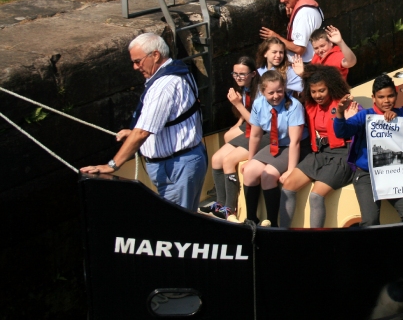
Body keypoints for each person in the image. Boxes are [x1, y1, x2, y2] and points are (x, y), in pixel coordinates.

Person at [80, 33, 207, 210]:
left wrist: (112, 166)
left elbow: (142, 133)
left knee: (175, 227)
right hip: (181, 163)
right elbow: (172, 117)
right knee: (182, 222)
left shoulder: (164, 86)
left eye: (138, 61)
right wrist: (133, 133)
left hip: (176, 167)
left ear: (155, 55)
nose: (134, 67)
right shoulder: (179, 69)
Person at [279, 65, 358, 228]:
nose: (317, 95)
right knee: (288, 185)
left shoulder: (344, 104)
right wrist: (302, 74)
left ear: (330, 87)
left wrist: (350, 119)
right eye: (314, 92)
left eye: (322, 91)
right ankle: (282, 232)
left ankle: (315, 241)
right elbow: (303, 85)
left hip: (342, 155)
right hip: (320, 153)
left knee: (316, 195)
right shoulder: (310, 104)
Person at [333, 74, 403, 227]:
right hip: (366, 174)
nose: (386, 101)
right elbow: (342, 132)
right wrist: (339, 113)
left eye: (390, 96)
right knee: (370, 221)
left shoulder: (402, 114)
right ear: (373, 98)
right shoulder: (364, 116)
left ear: (396, 95)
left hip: (394, 173)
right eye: (381, 97)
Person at [241, 70, 311, 227]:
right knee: (250, 171)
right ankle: (251, 219)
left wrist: (290, 171)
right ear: (262, 91)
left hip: (294, 146)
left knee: (268, 175)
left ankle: (272, 223)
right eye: (271, 92)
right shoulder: (259, 104)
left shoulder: (294, 106)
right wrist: (250, 160)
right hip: (275, 143)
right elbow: (256, 136)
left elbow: (295, 142)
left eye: (279, 91)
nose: (276, 96)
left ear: (284, 88)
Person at [201, 56, 260, 221]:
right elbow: (246, 114)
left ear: (253, 74)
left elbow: (258, 123)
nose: (238, 77)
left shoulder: (261, 91)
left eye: (242, 74)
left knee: (228, 161)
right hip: (249, 130)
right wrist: (238, 122)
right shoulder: (244, 88)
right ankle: (219, 203)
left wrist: (237, 104)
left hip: (262, 134)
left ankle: (230, 208)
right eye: (235, 74)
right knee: (216, 159)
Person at [259, 0, 323, 63]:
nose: (281, 1)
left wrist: (275, 37)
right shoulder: (305, 6)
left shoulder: (304, 14)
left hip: (306, 64)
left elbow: (299, 49)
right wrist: (292, 17)